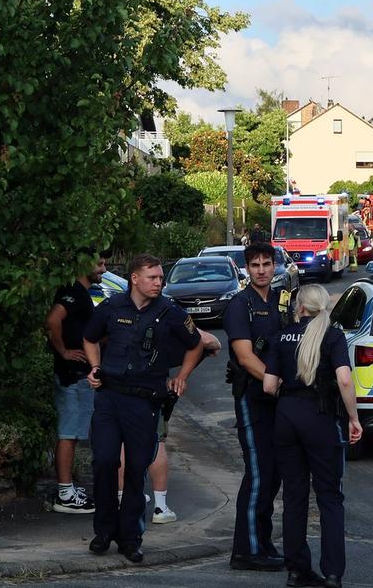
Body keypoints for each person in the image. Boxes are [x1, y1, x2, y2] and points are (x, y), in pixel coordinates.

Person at [83, 254, 216, 563]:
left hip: (144, 401)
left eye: (160, 278)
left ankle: (130, 537)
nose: (159, 282)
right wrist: (95, 367)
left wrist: (182, 377)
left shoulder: (170, 311)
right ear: (135, 279)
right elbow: (89, 338)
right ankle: (104, 531)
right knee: (104, 461)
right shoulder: (113, 306)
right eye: (152, 277)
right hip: (110, 397)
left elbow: (196, 343)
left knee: (136, 468)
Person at [263, 285, 362, 588]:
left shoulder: (282, 336)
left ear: (300, 308)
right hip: (319, 417)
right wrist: (354, 418)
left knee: (294, 496)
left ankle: (296, 570)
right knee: (329, 496)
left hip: (287, 416)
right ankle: (332, 573)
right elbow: (345, 380)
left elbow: (268, 386)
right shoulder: (332, 336)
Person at [223, 242, 292, 571]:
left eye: (266, 264)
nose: (262, 270)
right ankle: (246, 550)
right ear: (246, 269)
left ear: (274, 266)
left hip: (278, 400)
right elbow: (245, 357)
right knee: (258, 473)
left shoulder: (282, 301)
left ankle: (262, 541)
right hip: (253, 397)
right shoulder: (240, 305)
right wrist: (275, 383)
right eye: (255, 265)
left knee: (274, 473)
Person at [45, 252, 107, 514]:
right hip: (72, 375)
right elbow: (52, 320)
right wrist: (64, 352)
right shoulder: (73, 291)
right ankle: (64, 494)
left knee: (73, 432)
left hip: (78, 374)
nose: (104, 269)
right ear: (83, 264)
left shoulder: (81, 292)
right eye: (99, 264)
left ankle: (67, 488)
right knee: (69, 433)